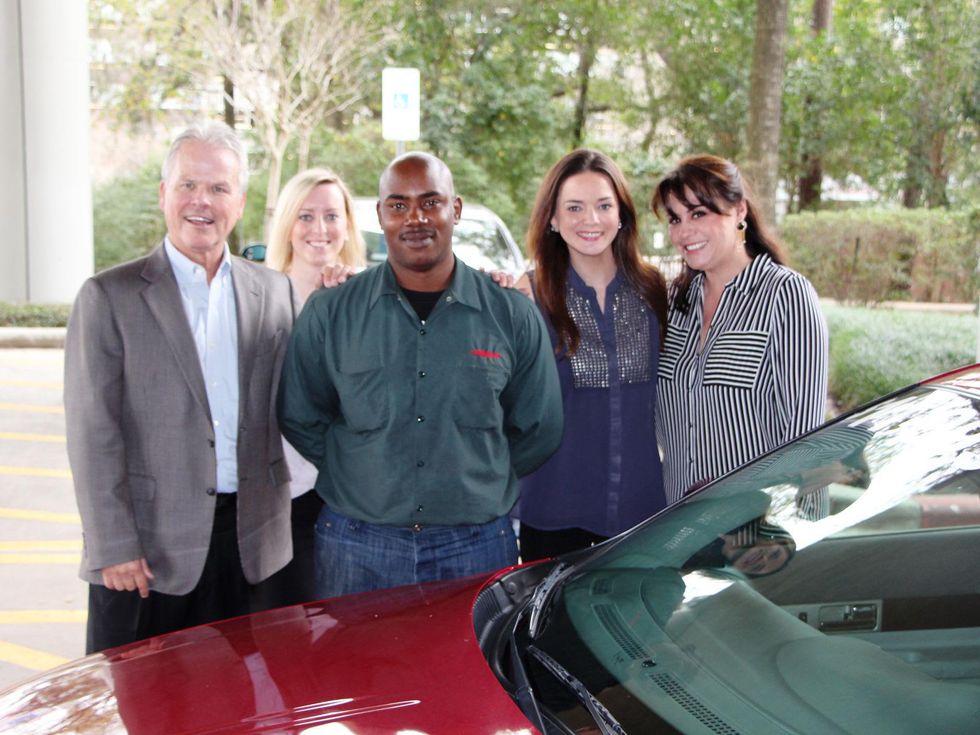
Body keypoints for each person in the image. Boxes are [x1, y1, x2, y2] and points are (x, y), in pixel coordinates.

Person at [277, 151, 563, 599]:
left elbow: (539, 427)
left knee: (470, 671)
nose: (415, 218)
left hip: (476, 545)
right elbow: (300, 413)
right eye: (398, 205)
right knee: (354, 670)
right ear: (380, 214)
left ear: (456, 209)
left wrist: (475, 476)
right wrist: (360, 470)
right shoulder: (331, 311)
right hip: (357, 546)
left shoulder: (510, 313)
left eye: (431, 202)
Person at [64, 121, 296, 653]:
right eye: (189, 185)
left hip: (250, 549)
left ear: (238, 203)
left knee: (243, 711)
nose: (202, 201)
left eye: (218, 188)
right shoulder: (109, 297)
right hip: (146, 556)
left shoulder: (274, 291)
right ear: (164, 194)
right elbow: (91, 432)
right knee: (143, 712)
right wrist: (113, 544)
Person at [513, 149, 669, 562]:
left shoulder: (656, 293)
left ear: (622, 214)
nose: (591, 220)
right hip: (553, 518)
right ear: (553, 218)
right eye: (574, 208)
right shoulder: (528, 298)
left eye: (603, 206)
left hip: (645, 517)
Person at [651, 154, 828, 504]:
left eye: (699, 213)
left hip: (759, 540)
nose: (684, 232)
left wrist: (799, 541)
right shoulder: (673, 302)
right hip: (679, 529)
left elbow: (806, 442)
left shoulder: (786, 295)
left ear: (740, 211)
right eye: (675, 219)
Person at [256, 168, 367, 608]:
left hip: (346, 499)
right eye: (305, 216)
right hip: (279, 498)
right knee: (279, 635)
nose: (319, 229)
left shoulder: (364, 298)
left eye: (331, 216)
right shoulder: (258, 298)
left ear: (347, 226)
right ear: (286, 225)